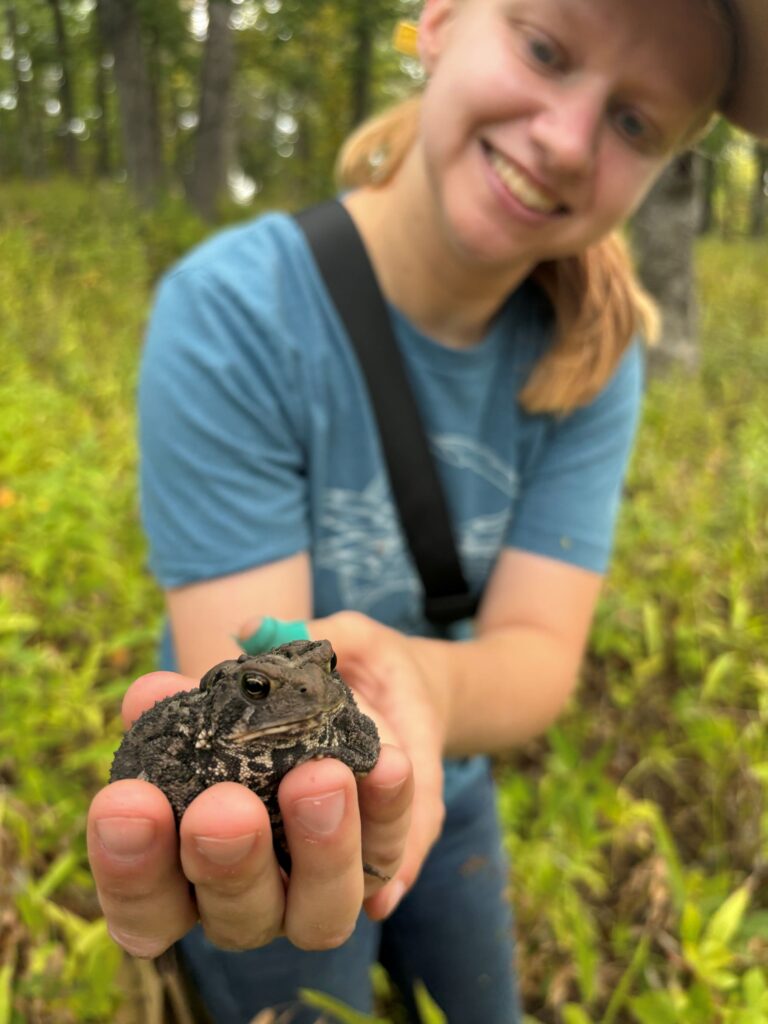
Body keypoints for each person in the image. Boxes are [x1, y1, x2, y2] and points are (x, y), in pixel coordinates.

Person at [87, 0, 767, 1020]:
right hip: (273, 799)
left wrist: (422, 690)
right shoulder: (233, 310)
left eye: (637, 124)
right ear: (439, 20)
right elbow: (243, 678)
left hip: (448, 771)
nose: (568, 138)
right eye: (544, 48)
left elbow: (540, 651)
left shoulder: (592, 351)